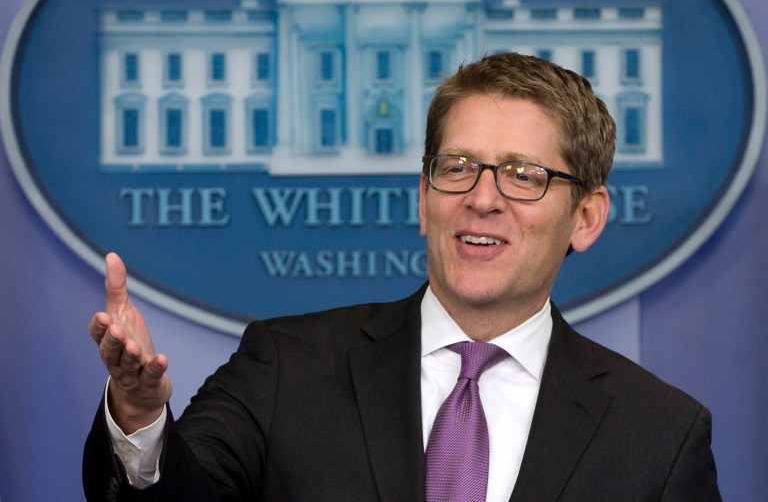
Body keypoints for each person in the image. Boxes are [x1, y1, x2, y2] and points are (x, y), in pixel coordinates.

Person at [83, 53, 721, 501]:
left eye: (524, 175)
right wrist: (139, 417)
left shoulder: (659, 433)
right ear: (424, 198)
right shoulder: (284, 367)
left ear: (586, 217)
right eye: (458, 166)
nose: (482, 197)